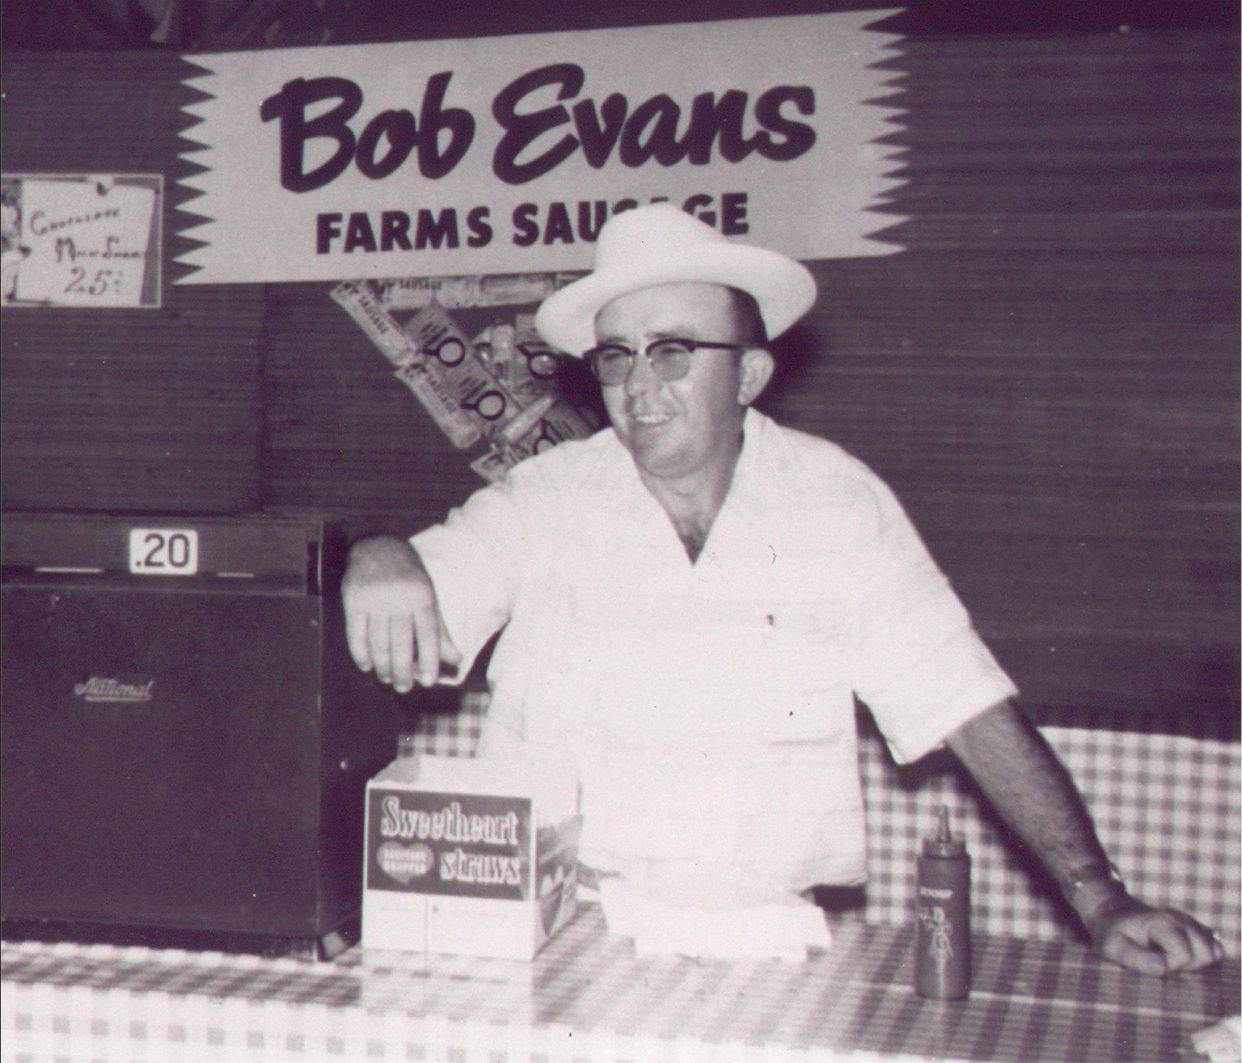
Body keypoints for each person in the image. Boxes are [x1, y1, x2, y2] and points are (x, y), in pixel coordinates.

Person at [344, 203, 1224, 973]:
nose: (639, 386)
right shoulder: (541, 501)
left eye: (673, 351)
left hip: (769, 942)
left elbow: (966, 704)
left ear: (752, 375)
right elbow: (407, 597)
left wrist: (1100, 898)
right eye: (616, 357)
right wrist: (375, 551)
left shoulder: (836, 501)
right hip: (564, 928)